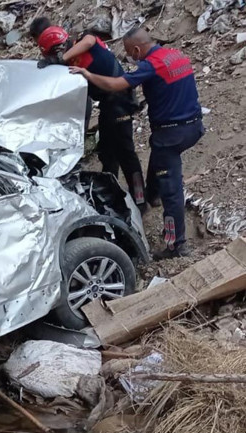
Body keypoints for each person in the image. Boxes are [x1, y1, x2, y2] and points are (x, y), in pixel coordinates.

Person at [70, 27, 204, 260]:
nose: (128, 56)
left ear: (136, 49)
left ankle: (177, 245)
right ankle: (152, 195)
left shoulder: (150, 66)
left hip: (170, 135)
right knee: (158, 159)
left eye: (128, 51)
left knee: (172, 191)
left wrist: (87, 74)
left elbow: (115, 85)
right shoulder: (176, 55)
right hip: (194, 126)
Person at [29, 17, 146, 208]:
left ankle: (140, 200)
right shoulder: (68, 63)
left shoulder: (84, 40)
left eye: (53, 53)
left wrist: (60, 59)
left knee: (125, 152)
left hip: (121, 99)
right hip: (108, 103)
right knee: (107, 151)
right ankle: (111, 193)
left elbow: (90, 41)